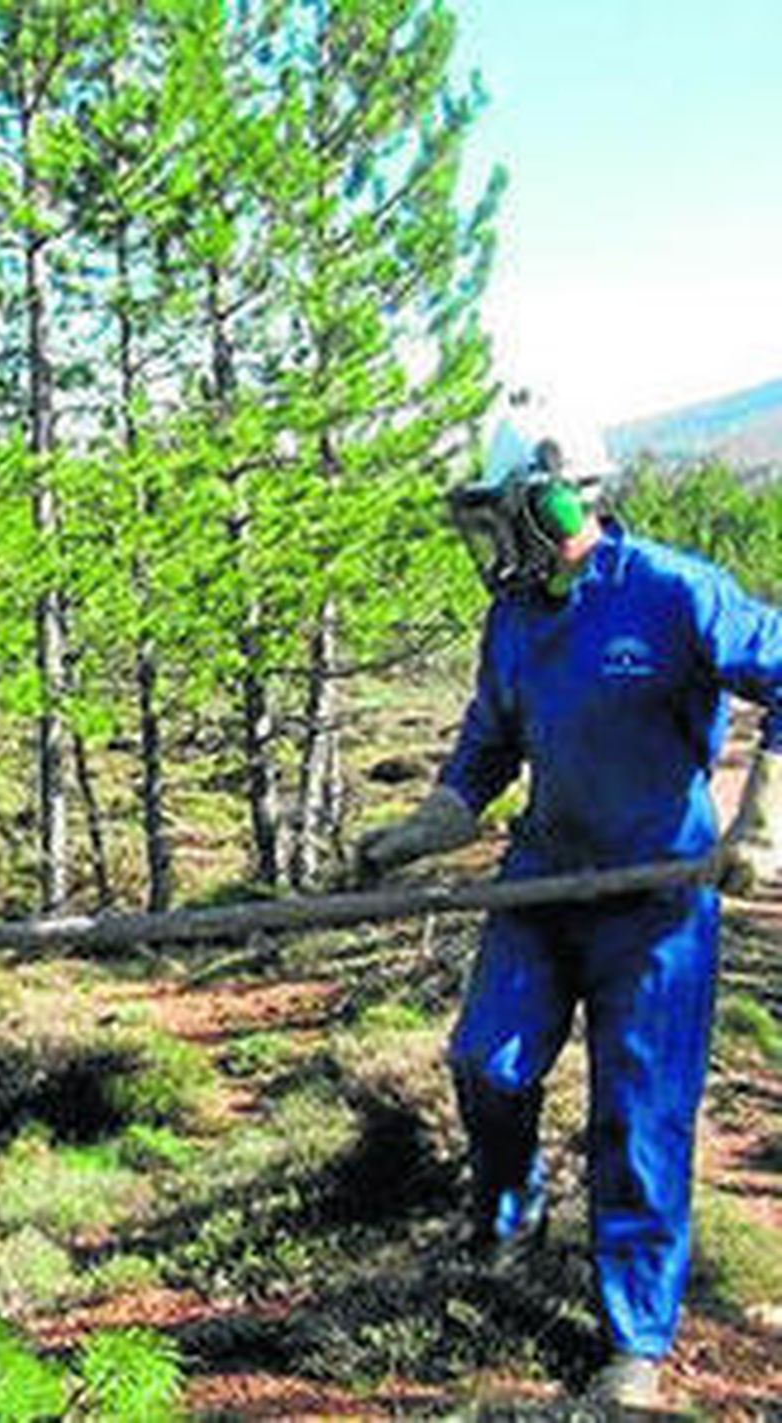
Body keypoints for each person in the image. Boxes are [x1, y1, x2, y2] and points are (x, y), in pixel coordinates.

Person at [356, 425, 782, 1409]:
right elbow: (487, 746)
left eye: (498, 514)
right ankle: (506, 1217)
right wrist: (426, 825)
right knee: (485, 1061)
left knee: (636, 1121)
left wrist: (760, 818)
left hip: (654, 900)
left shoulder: (673, 592)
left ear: (555, 502)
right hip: (541, 882)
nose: (487, 540)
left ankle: (631, 1341)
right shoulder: (510, 617)